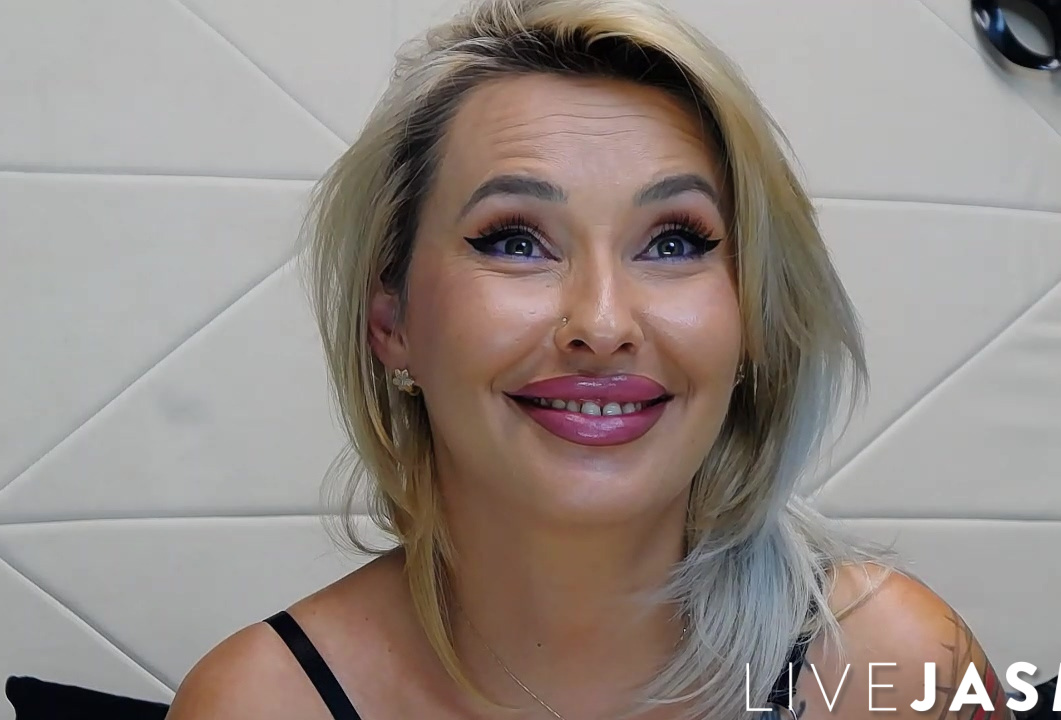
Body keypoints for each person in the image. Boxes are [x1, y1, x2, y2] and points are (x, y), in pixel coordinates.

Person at [167, 1, 1014, 718]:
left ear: (751, 316)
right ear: (391, 319)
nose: (603, 323)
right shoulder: (260, 702)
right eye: (515, 240)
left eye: (675, 241)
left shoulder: (898, 668)